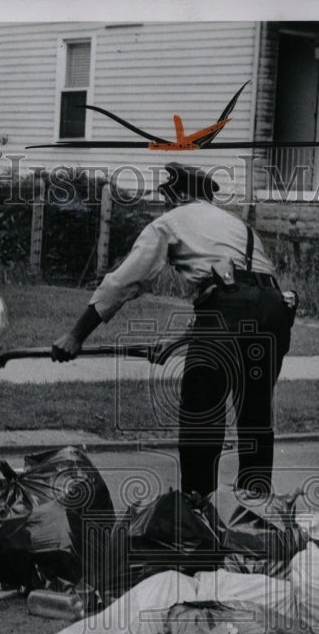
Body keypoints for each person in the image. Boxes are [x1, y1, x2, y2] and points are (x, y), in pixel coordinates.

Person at [52, 162, 296, 497]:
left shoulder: (172, 221)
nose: (167, 203)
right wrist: (182, 341)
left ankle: (198, 516)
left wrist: (76, 335)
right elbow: (243, 295)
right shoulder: (239, 227)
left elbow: (123, 282)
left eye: (169, 196)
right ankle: (255, 517)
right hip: (276, 311)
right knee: (255, 417)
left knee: (201, 418)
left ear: (180, 194)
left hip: (229, 313)